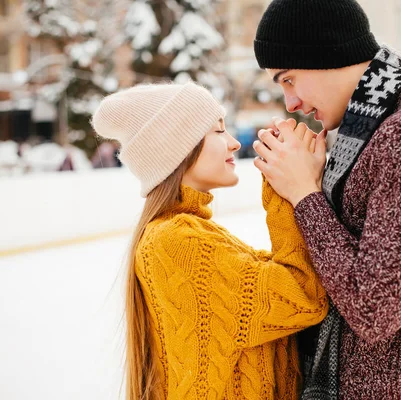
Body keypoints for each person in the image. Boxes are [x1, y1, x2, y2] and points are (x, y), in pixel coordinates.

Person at [251, 0, 401, 399]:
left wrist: (305, 194)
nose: (289, 102)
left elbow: (373, 309)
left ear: (324, 53)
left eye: (288, 79)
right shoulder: (373, 128)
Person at [90, 82, 328, 400]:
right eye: (217, 131)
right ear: (177, 146)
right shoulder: (177, 241)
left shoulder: (188, 234)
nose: (232, 143)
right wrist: (288, 189)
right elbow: (301, 295)